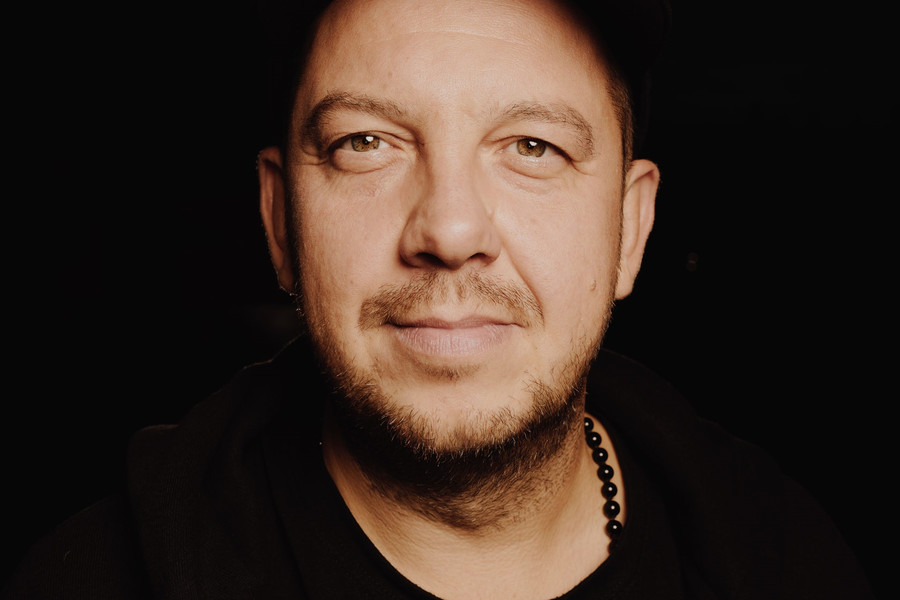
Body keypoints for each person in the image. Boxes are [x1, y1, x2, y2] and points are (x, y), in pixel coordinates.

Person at [3, 0, 876, 598]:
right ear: (280, 223)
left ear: (631, 229)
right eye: (365, 142)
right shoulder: (93, 579)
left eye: (532, 146)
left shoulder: (791, 562)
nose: (450, 230)